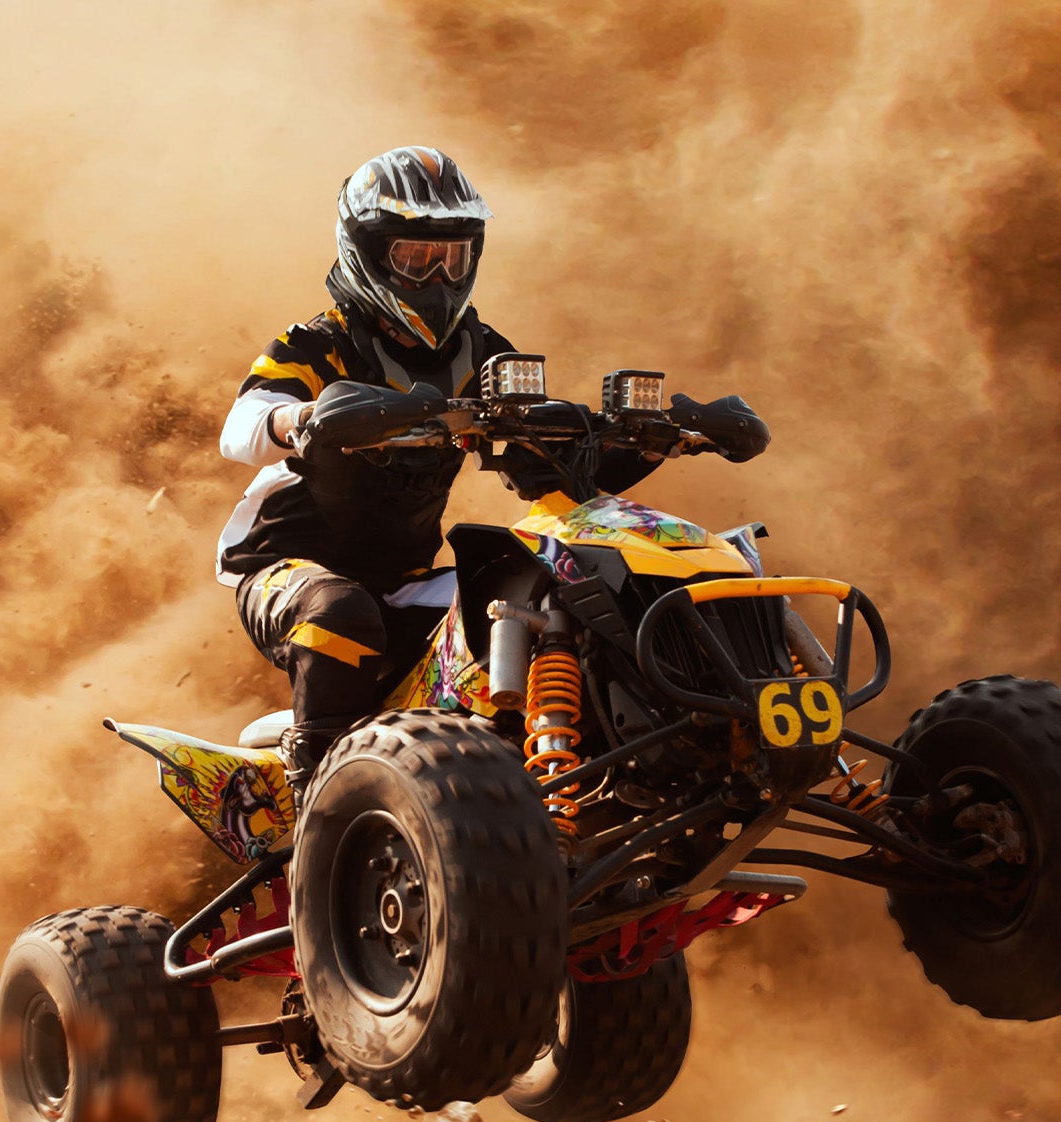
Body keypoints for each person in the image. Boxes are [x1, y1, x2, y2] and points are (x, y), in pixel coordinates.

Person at [218, 145, 768, 805]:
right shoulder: (320, 342)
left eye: (453, 257)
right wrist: (303, 420)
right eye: (414, 257)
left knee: (545, 587)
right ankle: (323, 801)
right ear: (366, 251)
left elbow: (556, 475)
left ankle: (583, 776)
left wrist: (661, 442)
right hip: (284, 568)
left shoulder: (483, 353)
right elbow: (241, 425)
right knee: (340, 610)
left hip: (409, 583)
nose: (437, 276)